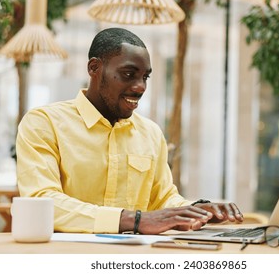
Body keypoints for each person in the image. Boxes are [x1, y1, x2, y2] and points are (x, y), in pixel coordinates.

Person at [16, 27, 243, 235]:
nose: (140, 87)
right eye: (128, 74)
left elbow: (162, 198)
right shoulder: (44, 123)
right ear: (94, 68)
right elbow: (42, 201)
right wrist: (134, 220)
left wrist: (196, 212)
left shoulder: (151, 133)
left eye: (145, 77)